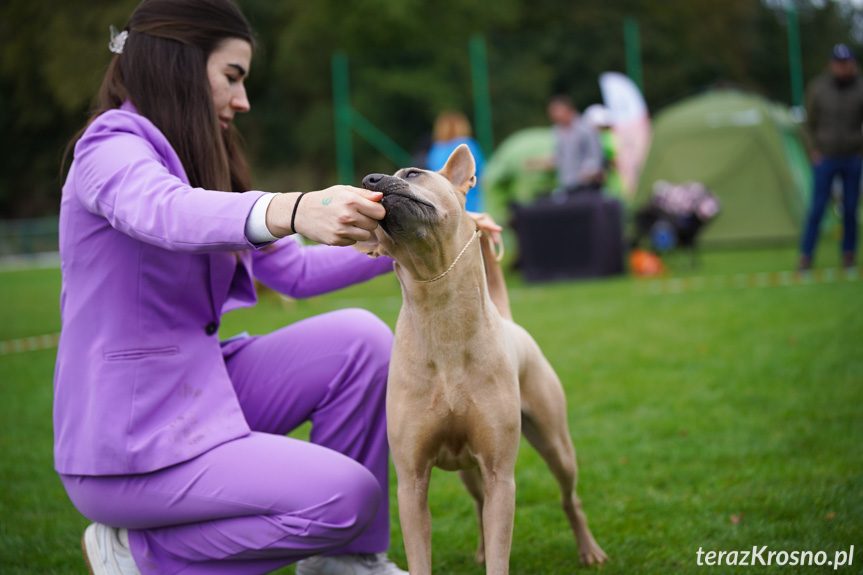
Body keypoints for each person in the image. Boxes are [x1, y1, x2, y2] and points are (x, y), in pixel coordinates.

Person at [55, 2, 502, 574]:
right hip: (129, 445)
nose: (242, 100)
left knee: (361, 340)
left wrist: (421, 243)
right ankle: (137, 554)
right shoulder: (109, 146)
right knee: (351, 496)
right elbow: (164, 212)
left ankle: (341, 563)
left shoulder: (203, 160)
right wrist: (295, 207)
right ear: (179, 66)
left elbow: (294, 273)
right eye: (232, 77)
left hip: (201, 391)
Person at [799, 43, 863, 270]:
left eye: (847, 63)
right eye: (839, 63)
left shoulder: (860, 87)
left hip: (852, 157)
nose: (843, 68)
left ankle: (848, 256)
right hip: (824, 157)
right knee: (817, 208)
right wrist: (813, 152)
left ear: (853, 64)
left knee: (850, 208)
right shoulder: (818, 88)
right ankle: (805, 256)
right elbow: (806, 124)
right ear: (832, 65)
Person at [530, 95, 604, 194]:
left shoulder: (586, 128)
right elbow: (560, 155)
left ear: (568, 110)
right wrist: (539, 163)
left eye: (556, 111)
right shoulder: (556, 131)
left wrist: (589, 171)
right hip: (567, 183)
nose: (554, 116)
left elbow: (595, 155)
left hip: (587, 184)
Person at [426, 111, 486, 212]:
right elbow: (482, 173)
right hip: (469, 201)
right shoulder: (468, 145)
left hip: (444, 203)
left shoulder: (436, 149)